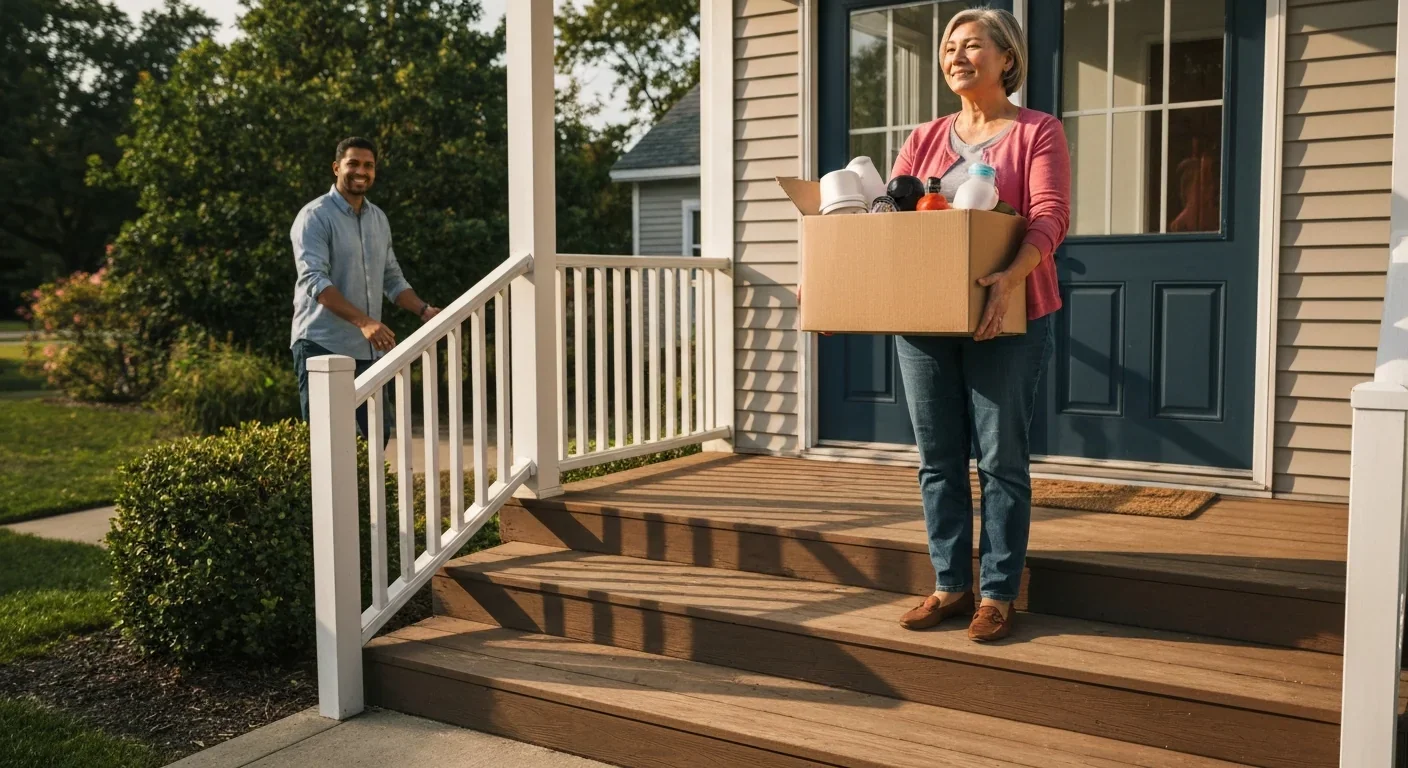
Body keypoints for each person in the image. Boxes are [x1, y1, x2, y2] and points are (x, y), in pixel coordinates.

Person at [888, 8, 1071, 642]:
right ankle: (948, 584)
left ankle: (996, 592)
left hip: (1009, 311)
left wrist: (1010, 278)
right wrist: (833, 283)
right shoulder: (924, 137)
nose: (956, 56)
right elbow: (888, 220)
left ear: (1006, 59)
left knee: (1000, 457)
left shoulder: (1037, 132)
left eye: (972, 46)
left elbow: (1050, 218)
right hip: (925, 315)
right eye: (948, 47)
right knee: (937, 457)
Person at [290, 136, 441, 444]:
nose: (362, 171)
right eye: (353, 163)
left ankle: (366, 496)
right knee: (326, 443)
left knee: (376, 438)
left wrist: (423, 310)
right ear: (336, 168)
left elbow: (392, 279)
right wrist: (366, 323)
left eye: (368, 165)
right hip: (321, 346)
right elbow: (316, 283)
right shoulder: (314, 216)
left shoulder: (378, 219)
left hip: (368, 353)